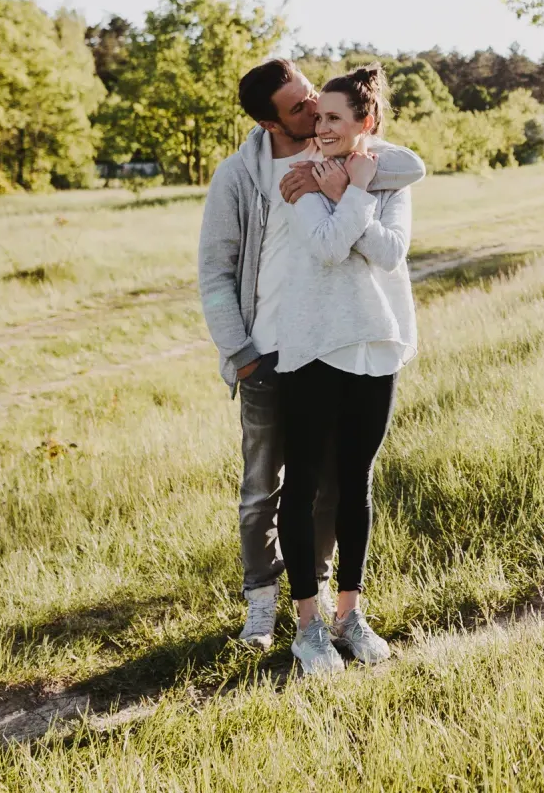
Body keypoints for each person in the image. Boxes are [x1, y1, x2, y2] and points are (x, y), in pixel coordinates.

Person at [197, 57, 426, 653]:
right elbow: (215, 271)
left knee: (336, 484)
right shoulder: (246, 175)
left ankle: (323, 599)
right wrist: (240, 352)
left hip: (340, 341)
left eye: (316, 101)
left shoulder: (341, 161)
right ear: (271, 123)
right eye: (301, 108)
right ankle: (262, 604)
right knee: (264, 487)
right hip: (268, 346)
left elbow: (409, 169)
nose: (313, 113)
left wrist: (345, 180)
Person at [269, 63, 418, 676]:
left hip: (374, 345)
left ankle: (349, 615)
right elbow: (330, 248)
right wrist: (347, 193)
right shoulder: (300, 177)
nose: (320, 128)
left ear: (367, 121)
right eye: (318, 117)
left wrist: (352, 190)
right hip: (313, 346)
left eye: (334, 118)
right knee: (303, 484)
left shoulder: (388, 177)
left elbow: (390, 253)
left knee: (357, 482)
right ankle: (308, 626)